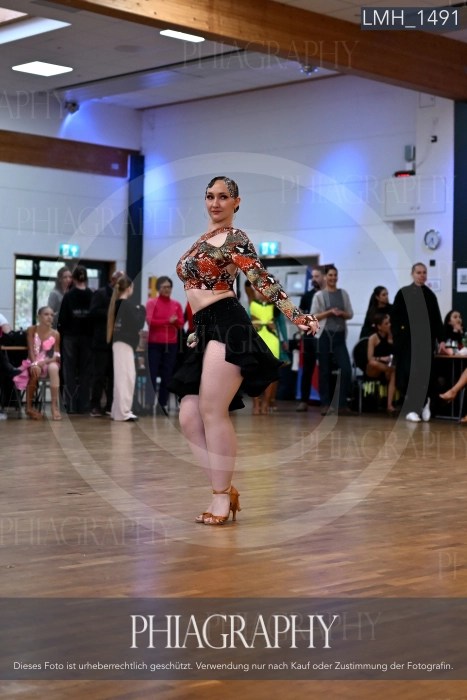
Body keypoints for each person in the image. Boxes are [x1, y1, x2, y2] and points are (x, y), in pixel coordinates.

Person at [168, 175, 319, 526]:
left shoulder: (236, 238)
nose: (215, 203)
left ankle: (220, 497)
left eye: (223, 197)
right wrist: (196, 331)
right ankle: (225, 488)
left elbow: (262, 280)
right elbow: (195, 291)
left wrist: (297, 315)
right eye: (210, 196)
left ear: (237, 202)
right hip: (205, 327)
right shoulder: (201, 240)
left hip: (228, 324)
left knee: (211, 409)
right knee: (188, 415)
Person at [391, 262, 444, 423]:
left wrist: (441, 339)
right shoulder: (403, 293)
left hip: (425, 342)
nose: (422, 275)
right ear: (412, 274)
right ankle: (411, 408)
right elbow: (395, 318)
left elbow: (436, 319)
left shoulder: (430, 295)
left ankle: (424, 404)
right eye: (418, 272)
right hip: (407, 343)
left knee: (424, 374)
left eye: (424, 272)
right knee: (409, 374)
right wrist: (398, 338)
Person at [311, 265, 354, 416]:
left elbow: (350, 314)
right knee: (325, 370)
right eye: (330, 275)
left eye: (335, 275)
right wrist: (329, 312)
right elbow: (314, 316)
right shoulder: (319, 295)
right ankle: (325, 404)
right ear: (325, 277)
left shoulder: (343, 294)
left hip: (339, 336)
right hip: (324, 335)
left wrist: (341, 313)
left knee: (346, 369)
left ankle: (341, 404)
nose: (333, 278)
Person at [107, 274, 146, 422]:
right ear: (129, 288)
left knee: (121, 378)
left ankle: (117, 411)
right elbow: (137, 324)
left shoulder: (117, 304)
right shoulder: (127, 305)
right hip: (124, 343)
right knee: (126, 378)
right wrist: (142, 310)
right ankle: (123, 412)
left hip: (120, 343)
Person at [13, 306, 61, 420]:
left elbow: (56, 356)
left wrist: (43, 362)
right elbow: (30, 350)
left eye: (52, 315)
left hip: (48, 361)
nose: (49, 317)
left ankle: (54, 406)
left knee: (54, 368)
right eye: (46, 314)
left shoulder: (55, 334)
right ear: (38, 317)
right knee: (35, 370)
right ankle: (29, 408)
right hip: (34, 360)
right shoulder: (31, 330)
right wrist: (35, 363)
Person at [57, 265, 94, 414]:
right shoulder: (92, 295)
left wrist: (63, 333)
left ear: (73, 278)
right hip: (87, 337)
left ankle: (71, 405)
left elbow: (62, 319)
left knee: (69, 371)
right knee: (86, 372)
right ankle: (84, 405)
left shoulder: (68, 295)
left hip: (70, 337)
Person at [145, 276, 184, 415]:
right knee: (152, 374)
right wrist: (168, 321)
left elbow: (180, 324)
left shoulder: (176, 304)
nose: (167, 289)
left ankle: (163, 404)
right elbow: (150, 321)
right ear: (158, 288)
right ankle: (149, 404)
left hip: (171, 344)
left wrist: (174, 322)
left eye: (169, 287)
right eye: (164, 287)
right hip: (154, 343)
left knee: (167, 375)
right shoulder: (151, 303)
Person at [89, 270, 124, 417]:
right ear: (113, 279)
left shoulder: (123, 296)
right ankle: (95, 405)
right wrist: (111, 312)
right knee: (99, 375)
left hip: (117, 342)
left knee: (113, 376)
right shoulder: (101, 293)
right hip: (101, 341)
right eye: (120, 280)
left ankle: (110, 405)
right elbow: (93, 312)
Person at [249, 287, 288, 414]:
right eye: (258, 290)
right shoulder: (251, 304)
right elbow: (245, 323)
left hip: (272, 339)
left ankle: (266, 402)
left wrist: (285, 340)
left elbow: (282, 324)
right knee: (254, 372)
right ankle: (256, 404)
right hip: (256, 339)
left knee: (270, 372)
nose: (260, 293)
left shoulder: (275, 307)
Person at [296, 266, 325, 412]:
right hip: (310, 337)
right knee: (308, 368)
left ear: (323, 277)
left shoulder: (328, 295)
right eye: (312, 276)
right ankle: (304, 400)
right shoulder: (307, 296)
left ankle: (326, 401)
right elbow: (300, 316)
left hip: (325, 336)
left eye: (317, 276)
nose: (314, 279)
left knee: (325, 369)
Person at [365, 312, 396, 414]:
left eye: (389, 323)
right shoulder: (373, 338)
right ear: (379, 326)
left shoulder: (391, 336)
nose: (389, 325)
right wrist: (382, 358)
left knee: (393, 372)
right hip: (375, 368)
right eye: (386, 323)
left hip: (387, 368)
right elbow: (370, 358)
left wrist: (391, 338)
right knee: (373, 363)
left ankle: (389, 405)